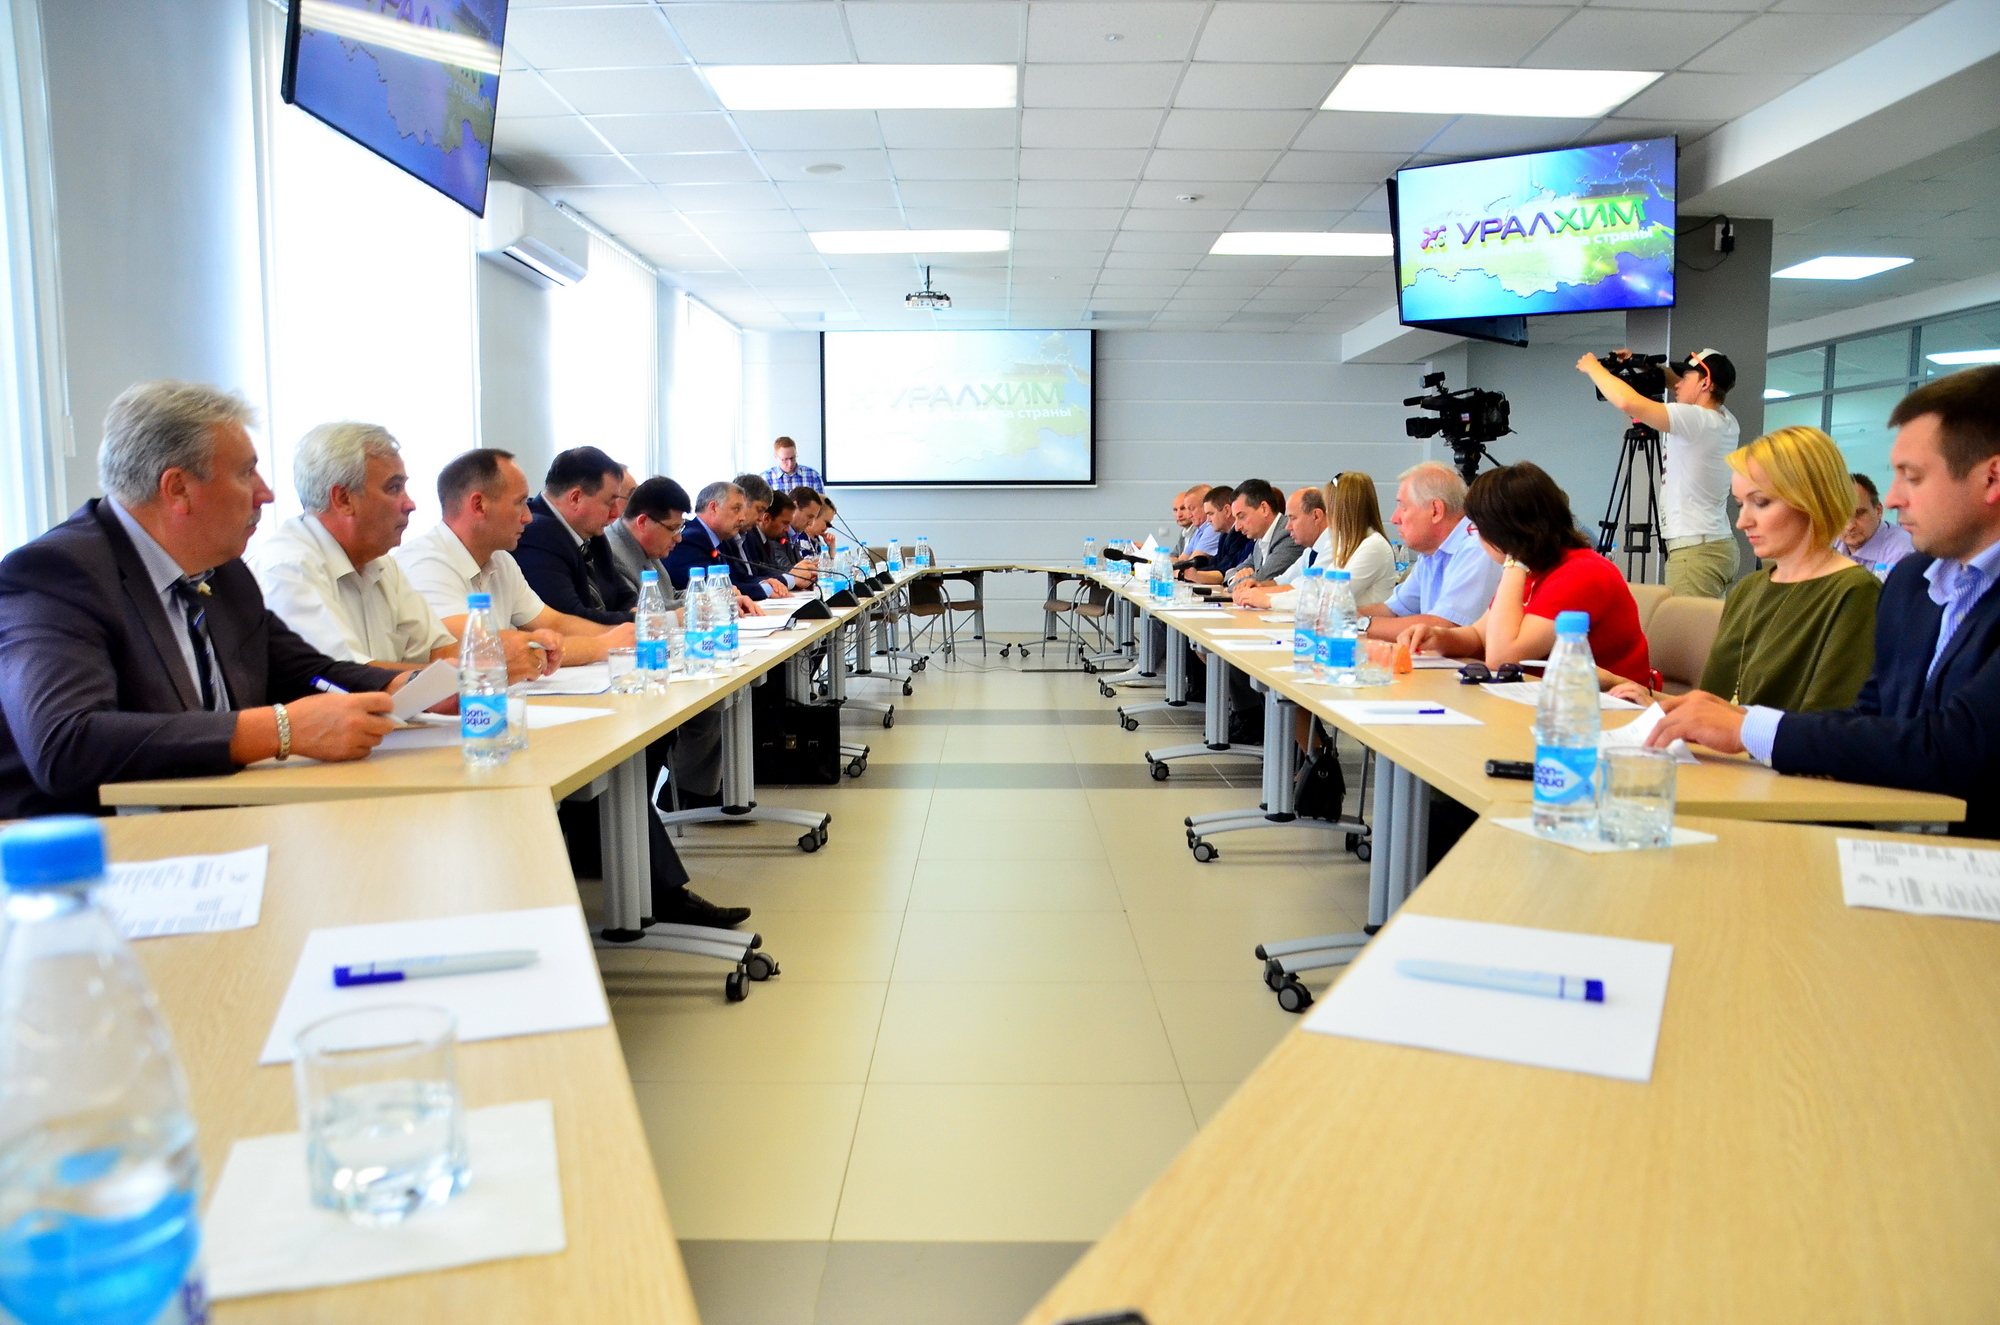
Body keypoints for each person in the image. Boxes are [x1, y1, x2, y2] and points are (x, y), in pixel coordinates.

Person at [0, 381, 407, 818]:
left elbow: (306, 674)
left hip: (215, 825)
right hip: (91, 845)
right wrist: (278, 730)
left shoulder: (223, 571)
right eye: (246, 473)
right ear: (177, 488)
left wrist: (409, 688)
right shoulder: (56, 572)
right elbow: (66, 743)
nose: (266, 494)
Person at [1649, 366, 2000, 839]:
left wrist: (1748, 729)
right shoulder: (1914, 582)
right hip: (1896, 839)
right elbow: (1869, 717)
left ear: (1992, 478)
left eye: (1913, 477)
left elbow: (1955, 747)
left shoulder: (1861, 589)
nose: (1893, 498)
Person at [1611, 427, 1880, 712]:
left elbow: (1826, 726)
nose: (1742, 522)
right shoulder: (1749, 588)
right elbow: (1719, 707)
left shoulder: (1855, 593)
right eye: (1740, 504)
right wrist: (1652, 700)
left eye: (1761, 503)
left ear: (1813, 500)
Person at [248, 422, 477, 676]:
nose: (409, 504)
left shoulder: (380, 562)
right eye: (394, 488)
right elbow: (344, 677)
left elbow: (438, 651)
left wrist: (481, 668)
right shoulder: (288, 567)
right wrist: (458, 677)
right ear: (343, 499)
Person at [1400, 462, 1652, 686]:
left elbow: (1502, 658)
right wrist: (1440, 637)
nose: (1477, 537)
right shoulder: (1535, 568)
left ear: (1502, 531)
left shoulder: (1581, 572)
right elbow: (1479, 635)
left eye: (1478, 528)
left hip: (1607, 708)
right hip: (1550, 699)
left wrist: (1513, 560)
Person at [398, 449, 635, 667]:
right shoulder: (426, 563)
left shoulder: (501, 560)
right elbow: (476, 648)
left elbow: (554, 623)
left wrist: (623, 636)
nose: (528, 517)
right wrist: (602, 645)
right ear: (479, 505)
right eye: (519, 502)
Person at [1576, 347, 1742, 598]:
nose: (1677, 384)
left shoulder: (1695, 419)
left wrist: (1594, 369)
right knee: (1706, 621)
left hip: (1694, 553)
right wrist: (1642, 364)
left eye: (1686, 377)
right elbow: (1676, 383)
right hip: (1714, 545)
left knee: (1687, 624)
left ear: (1705, 383)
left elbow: (1627, 402)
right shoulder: (1724, 419)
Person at [1360, 461, 1504, 641]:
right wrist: (1340, 616)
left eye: (1403, 507)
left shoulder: (1477, 547)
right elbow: (1394, 611)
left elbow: (1444, 627)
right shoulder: (1432, 551)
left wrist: (1358, 624)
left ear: (1436, 510)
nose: (1394, 518)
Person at [515, 447, 635, 625]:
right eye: (609, 502)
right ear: (575, 498)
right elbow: (572, 619)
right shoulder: (535, 534)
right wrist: (647, 621)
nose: (615, 514)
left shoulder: (592, 534)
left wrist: (640, 616)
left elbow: (625, 596)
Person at [668, 481, 786, 600]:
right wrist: (765, 589)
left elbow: (738, 577)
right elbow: (713, 588)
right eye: (736, 509)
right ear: (713, 508)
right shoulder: (689, 540)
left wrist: (765, 582)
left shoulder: (722, 539)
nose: (742, 517)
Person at [1232, 486, 1330, 609]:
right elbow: (1282, 581)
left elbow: (1306, 592)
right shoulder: (1310, 551)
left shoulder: (1333, 548)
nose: (1288, 527)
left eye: (1293, 518)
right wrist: (1257, 586)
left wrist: (1258, 595)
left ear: (1316, 516)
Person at [603, 475, 690, 600]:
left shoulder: (649, 547)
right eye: (673, 529)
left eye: (680, 528)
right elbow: (643, 608)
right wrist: (696, 603)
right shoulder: (612, 555)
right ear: (643, 522)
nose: (678, 538)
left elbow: (669, 597)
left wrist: (705, 596)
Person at [1836, 471, 1915, 573]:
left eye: (1859, 513)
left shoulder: (1902, 554)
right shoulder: (1830, 544)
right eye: (1840, 516)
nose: (1849, 526)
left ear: (1878, 510)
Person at [1176, 485, 1246, 580]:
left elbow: (1225, 569)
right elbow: (1215, 563)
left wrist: (1194, 575)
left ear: (1227, 511)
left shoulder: (1241, 535)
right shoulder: (1224, 535)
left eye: (1211, 514)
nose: (1208, 520)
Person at [1179, 484, 1219, 561]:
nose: (1189, 515)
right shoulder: (1199, 529)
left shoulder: (1213, 527)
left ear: (1206, 506)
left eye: (1192, 509)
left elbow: (1191, 564)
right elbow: (1182, 559)